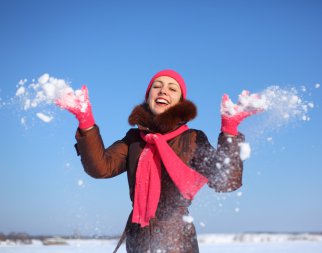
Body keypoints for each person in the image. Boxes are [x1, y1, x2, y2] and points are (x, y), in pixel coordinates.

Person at [57, 70, 260, 253]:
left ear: (180, 102)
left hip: (178, 242)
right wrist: (86, 123)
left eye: (172, 89)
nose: (163, 91)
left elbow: (226, 181)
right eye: (157, 86)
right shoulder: (134, 139)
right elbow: (100, 167)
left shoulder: (192, 138)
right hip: (138, 239)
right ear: (148, 97)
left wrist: (229, 132)